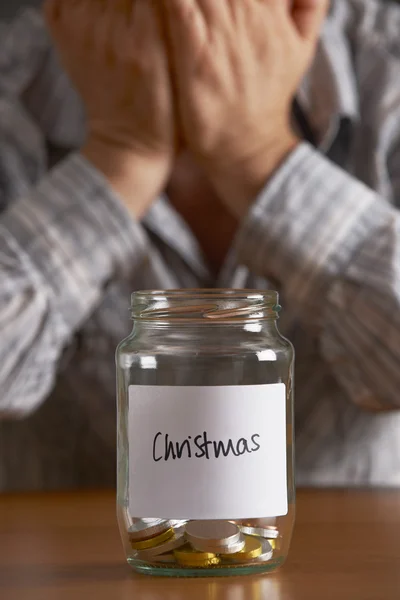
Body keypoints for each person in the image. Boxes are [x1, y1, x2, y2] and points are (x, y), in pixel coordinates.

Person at [1, 0, 400, 491]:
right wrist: (121, 154)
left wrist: (258, 155)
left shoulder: (388, 64)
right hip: (81, 562)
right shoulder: (10, 76)